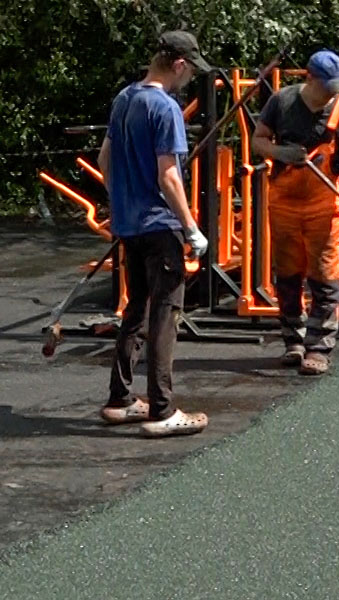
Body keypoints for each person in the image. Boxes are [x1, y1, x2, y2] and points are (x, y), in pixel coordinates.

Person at [96, 31, 212, 437]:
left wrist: (121, 204)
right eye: (190, 71)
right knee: (166, 315)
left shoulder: (125, 98)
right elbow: (169, 176)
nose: (189, 79)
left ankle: (120, 399)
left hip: (130, 225)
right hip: (160, 227)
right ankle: (162, 410)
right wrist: (191, 227)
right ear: (179, 65)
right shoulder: (164, 108)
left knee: (136, 311)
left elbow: (105, 159)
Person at [252, 49, 339, 375]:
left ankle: (318, 347)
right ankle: (293, 342)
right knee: (287, 275)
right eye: (326, 86)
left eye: (335, 87)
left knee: (325, 277)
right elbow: (259, 139)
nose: (332, 93)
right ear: (309, 78)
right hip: (283, 203)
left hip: (323, 206)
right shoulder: (282, 102)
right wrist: (278, 151)